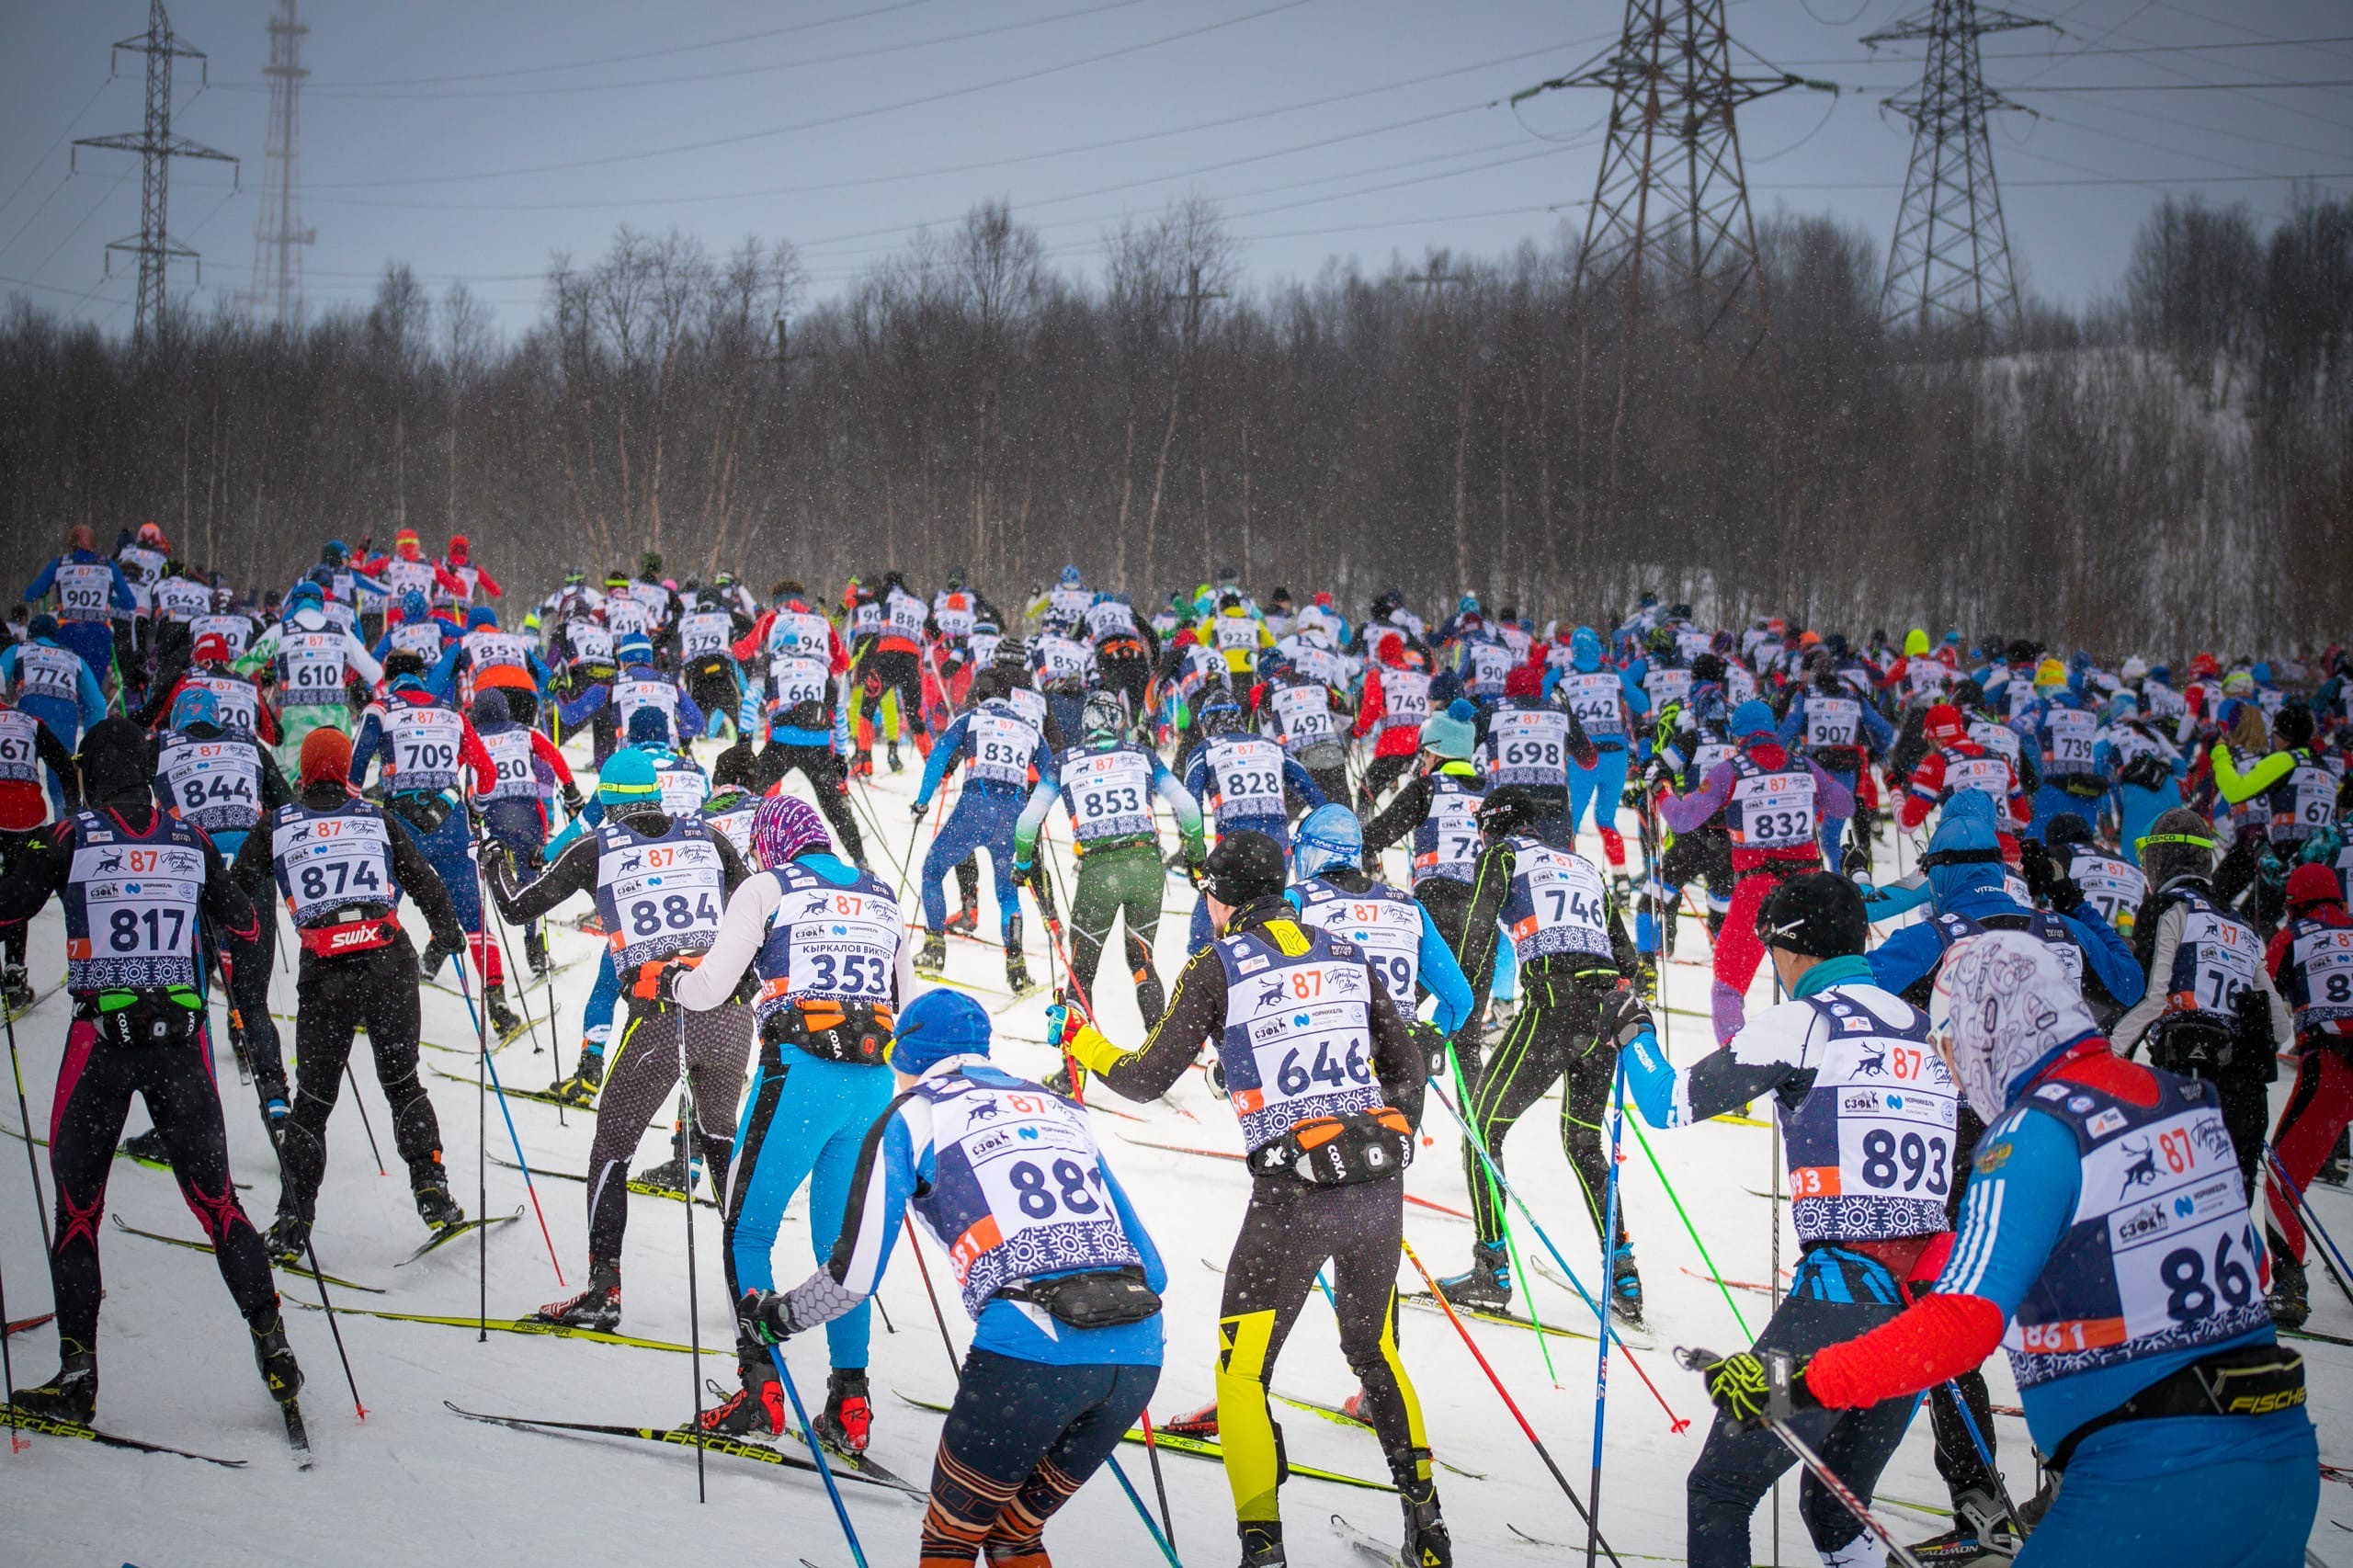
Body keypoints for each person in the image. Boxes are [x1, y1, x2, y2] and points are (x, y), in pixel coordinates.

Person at [1699, 930, 2317, 1568]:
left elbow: (1959, 1328)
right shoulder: (2176, 1100)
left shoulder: (2034, 1135)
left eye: (1952, 1044)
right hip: (2276, 1457)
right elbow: (2251, 1263)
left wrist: (1793, 1383)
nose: (1959, 1072)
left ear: (1984, 1028)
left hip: (2148, 1484)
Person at [1048, 830, 1449, 1568]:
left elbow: (1143, 1076)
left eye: (1207, 892)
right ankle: (1427, 1524)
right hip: (1374, 1186)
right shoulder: (1343, 949)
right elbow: (1410, 1067)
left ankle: (1262, 1549)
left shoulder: (1217, 965)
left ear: (1223, 899)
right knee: (1373, 1349)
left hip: (1292, 1195)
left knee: (1241, 1373)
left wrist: (1083, 1042)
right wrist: (1375, 1142)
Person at [735, 988, 1166, 1562]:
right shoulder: (1058, 1107)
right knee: (1014, 1537)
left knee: (951, 1542)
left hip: (1030, 1350)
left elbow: (853, 1278)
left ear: (904, 1059)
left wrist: (776, 1320)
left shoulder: (911, 1116)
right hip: (1138, 1355)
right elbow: (1154, 1269)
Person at [1617, 871, 1954, 1568]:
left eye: (1772, 947)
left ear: (1792, 949)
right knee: (1833, 1506)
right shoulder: (1923, 1030)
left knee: (1721, 1487)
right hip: (1922, 1310)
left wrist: (1631, 1034)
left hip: (1840, 1303)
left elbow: (1666, 1102)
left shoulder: (1806, 1020)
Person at [0, 718, 301, 1428]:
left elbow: (9, 907)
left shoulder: (72, 834)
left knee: (77, 1212)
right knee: (220, 1205)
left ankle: (78, 1375)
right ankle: (275, 1348)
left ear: (94, 771)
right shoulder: (188, 837)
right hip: (180, 1043)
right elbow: (246, 927)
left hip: (101, 1041)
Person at [655, 794, 906, 1452]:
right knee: (840, 1253)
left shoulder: (767, 886)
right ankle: (851, 1402)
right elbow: (905, 1002)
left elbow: (710, 987)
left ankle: (760, 1388)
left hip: (799, 1075)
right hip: (871, 1083)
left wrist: (669, 984)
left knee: (747, 1228)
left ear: (772, 844)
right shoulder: (880, 892)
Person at [483, 746, 755, 1329]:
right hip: (729, 1013)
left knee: (612, 1150)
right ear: (657, 795)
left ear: (607, 801)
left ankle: (604, 1290)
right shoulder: (707, 835)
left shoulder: (596, 847)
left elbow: (513, 908)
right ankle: (749, 1289)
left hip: (662, 1015)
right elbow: (759, 905)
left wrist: (493, 861)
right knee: (720, 1147)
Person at [230, 727, 470, 1259]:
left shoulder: (275, 824)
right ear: (344, 770)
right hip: (389, 962)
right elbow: (424, 878)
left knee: (313, 1102)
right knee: (403, 1082)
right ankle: (433, 1191)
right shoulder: (375, 817)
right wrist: (447, 931)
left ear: (305, 770)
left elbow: (238, 888)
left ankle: (293, 1221)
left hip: (327, 973)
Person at [1438, 785, 1649, 1321]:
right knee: (1583, 1141)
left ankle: (1491, 1269)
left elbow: (1478, 936)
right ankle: (1623, 1272)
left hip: (1554, 1004)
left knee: (1482, 1130)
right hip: (1606, 1009)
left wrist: (1459, 1014)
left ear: (1492, 825)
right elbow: (1626, 955)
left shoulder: (1501, 856)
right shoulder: (1583, 866)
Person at [2109, 807, 2291, 1200]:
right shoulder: (2241, 924)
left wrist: (2107, 1053)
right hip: (2247, 1095)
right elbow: (2281, 1028)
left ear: (2161, 858)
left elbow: (2151, 995)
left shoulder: (2168, 906)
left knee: (2184, 1211)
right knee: (2229, 1215)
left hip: (2191, 1079)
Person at [348, 650, 521, 1039]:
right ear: (422, 677)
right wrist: (475, 807)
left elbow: (354, 771)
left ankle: (362, 1002)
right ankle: (497, 1002)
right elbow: (488, 772)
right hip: (451, 823)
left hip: (400, 826)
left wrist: (356, 814)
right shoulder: (452, 712)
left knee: (379, 911)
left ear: (389, 678)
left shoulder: (380, 709)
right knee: (473, 918)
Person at [1660, 699, 1855, 1042]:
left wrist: (1662, 792)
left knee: (1727, 993)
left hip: (1757, 890)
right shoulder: (1802, 765)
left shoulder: (1732, 770)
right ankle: (1825, 1064)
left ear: (1738, 737)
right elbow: (1844, 803)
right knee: (1815, 990)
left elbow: (1683, 818)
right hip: (1809, 889)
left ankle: (1737, 1077)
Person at [1012, 690, 1205, 1030]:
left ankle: (1074, 1068)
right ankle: (1158, 1056)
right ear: (1116, 721)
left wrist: (1024, 862)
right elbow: (1188, 807)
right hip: (1146, 866)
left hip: (1099, 871)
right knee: (1142, 959)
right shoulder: (1142, 755)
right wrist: (1195, 857)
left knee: (1082, 970)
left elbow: (1028, 823)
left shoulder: (1065, 761)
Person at [909, 675, 1053, 993]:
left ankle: (934, 951)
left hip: (975, 807)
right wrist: (1040, 811)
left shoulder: (971, 718)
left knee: (932, 871)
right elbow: (1052, 774)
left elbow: (939, 756)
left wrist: (922, 801)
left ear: (979, 698)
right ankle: (1017, 968)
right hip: (1014, 815)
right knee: (1007, 891)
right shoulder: (1029, 729)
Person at [2257, 863, 2353, 1328]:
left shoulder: (2291, 937)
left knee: (2282, 1180)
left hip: (2331, 1064)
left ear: (2293, 901)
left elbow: (2259, 991)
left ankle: (2291, 1286)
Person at [1180, 694, 1325, 954]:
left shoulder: (1205, 750)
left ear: (1207, 724)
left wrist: (1194, 858)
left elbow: (1188, 808)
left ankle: (1208, 980)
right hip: (1277, 848)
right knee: (1272, 918)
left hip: (1232, 850)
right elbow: (1314, 794)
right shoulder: (1271, 746)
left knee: (1209, 926)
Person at [469, 687, 584, 976]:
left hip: (490, 811)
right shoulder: (524, 732)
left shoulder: (474, 736)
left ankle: (438, 951)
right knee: (531, 875)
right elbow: (554, 756)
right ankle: (535, 948)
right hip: (527, 812)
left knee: (482, 877)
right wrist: (570, 790)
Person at [238, 580, 383, 774]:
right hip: (335, 720)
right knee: (340, 777)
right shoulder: (340, 633)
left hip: (295, 720)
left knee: (280, 780)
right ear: (321, 604)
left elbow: (243, 668)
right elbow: (374, 673)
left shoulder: (281, 632)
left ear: (294, 604)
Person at [0, 687, 77, 1011]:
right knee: (17, 890)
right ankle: (14, 973)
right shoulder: (29, 721)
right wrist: (73, 810)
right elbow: (64, 764)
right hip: (24, 815)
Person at [0, 615, 109, 816]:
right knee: (61, 779)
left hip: (28, 715)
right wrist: (93, 738)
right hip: (64, 719)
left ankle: (17, 823)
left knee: (16, 775)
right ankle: (65, 830)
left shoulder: (18, 650)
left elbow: (0, 675)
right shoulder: (74, 658)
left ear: (31, 634)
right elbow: (97, 703)